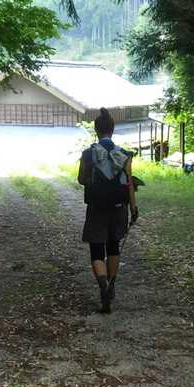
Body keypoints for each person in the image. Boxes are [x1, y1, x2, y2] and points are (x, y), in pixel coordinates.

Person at [77, 108, 138, 313]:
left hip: (97, 208)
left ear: (96, 130)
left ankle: (102, 283)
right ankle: (111, 283)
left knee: (97, 250)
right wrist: (133, 208)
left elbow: (81, 179)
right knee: (113, 246)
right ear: (112, 130)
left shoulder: (88, 154)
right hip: (119, 208)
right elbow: (129, 184)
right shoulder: (124, 155)